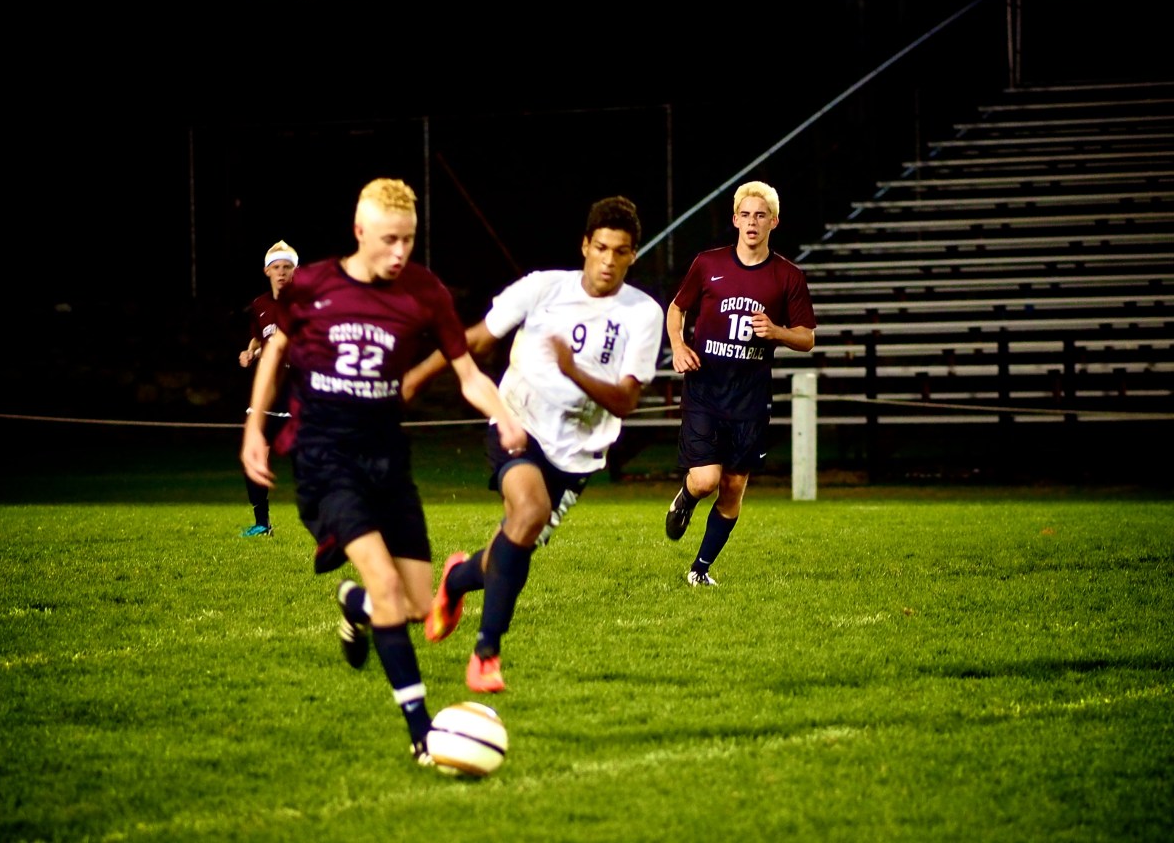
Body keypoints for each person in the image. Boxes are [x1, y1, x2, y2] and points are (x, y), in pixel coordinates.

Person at [240, 178, 527, 766]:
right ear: (359, 231)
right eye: (389, 240)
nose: (400, 252)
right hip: (324, 456)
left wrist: (503, 415)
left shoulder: (424, 292)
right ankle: (422, 735)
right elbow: (275, 353)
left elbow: (467, 374)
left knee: (417, 605)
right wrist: (253, 430)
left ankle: (357, 605)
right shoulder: (313, 285)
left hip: (388, 460)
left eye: (409, 240)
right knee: (386, 582)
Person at [403, 195, 664, 693]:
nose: (608, 261)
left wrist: (572, 369)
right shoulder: (543, 288)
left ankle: (456, 580)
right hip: (517, 424)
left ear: (633, 255)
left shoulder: (643, 314)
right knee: (528, 512)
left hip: (579, 455)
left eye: (620, 251)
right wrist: (417, 375)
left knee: (516, 542)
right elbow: (476, 339)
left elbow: (626, 401)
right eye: (601, 248)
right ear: (585, 245)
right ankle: (486, 655)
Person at [664, 180, 817, 586]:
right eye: (746, 214)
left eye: (760, 215)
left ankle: (699, 570)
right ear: (735, 219)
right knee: (706, 480)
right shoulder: (708, 264)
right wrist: (678, 345)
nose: (752, 222)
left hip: (750, 398)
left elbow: (807, 337)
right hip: (705, 387)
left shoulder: (788, 276)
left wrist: (777, 332)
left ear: (774, 222)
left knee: (732, 487)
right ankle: (687, 496)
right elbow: (677, 309)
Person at [237, 240, 298, 538]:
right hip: (268, 394)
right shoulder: (260, 305)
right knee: (254, 456)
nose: (282, 272)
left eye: (287, 267)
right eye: (277, 267)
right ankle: (262, 524)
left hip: (298, 392)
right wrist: (249, 352)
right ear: (267, 271)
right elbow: (260, 339)